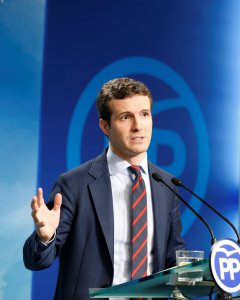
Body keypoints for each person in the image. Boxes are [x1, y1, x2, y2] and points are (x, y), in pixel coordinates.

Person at [23, 77, 185, 300]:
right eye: (126, 117)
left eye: (144, 114)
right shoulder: (74, 184)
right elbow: (37, 261)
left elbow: (173, 258)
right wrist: (44, 238)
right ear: (105, 126)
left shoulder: (167, 185)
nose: (138, 126)